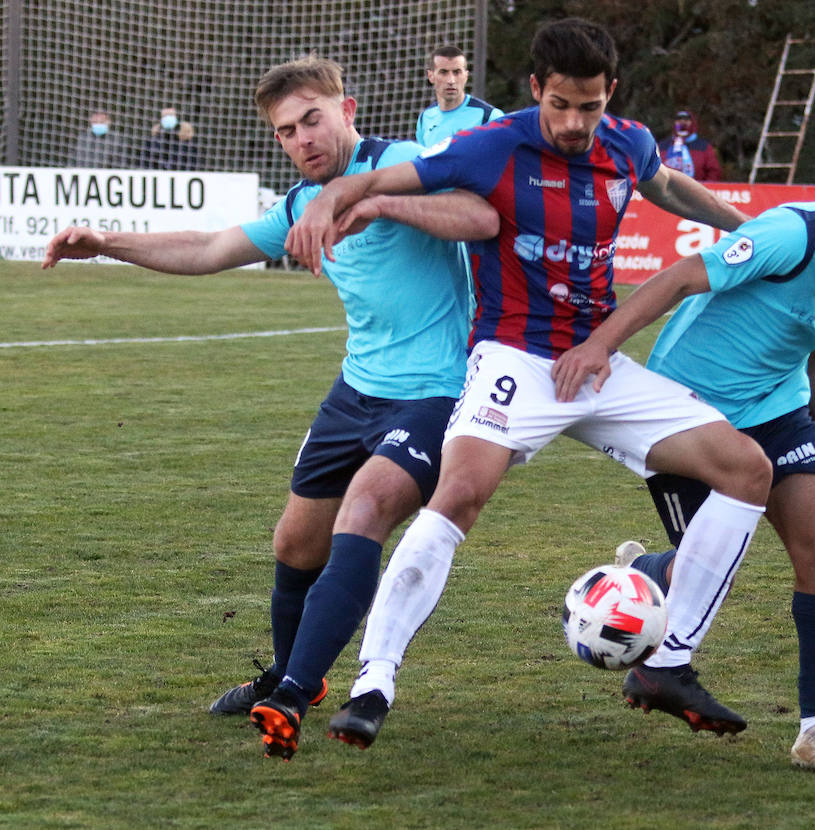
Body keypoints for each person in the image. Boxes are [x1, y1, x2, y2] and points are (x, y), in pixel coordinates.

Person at [284, 17, 773, 751]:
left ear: (611, 94)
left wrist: (753, 231)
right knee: (457, 495)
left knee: (747, 470)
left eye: (591, 106)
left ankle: (669, 666)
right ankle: (373, 684)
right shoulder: (492, 145)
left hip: (598, 362)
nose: (575, 123)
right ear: (536, 89)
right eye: (560, 105)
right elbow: (378, 178)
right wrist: (330, 202)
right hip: (513, 358)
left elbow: (670, 186)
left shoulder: (629, 144)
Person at [43, 56, 499, 760]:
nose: (302, 139)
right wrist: (107, 244)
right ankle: (291, 674)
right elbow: (209, 247)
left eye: (312, 119)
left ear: (346, 111)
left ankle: (291, 692)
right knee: (295, 544)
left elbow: (481, 216)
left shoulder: (402, 163)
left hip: (437, 391)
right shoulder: (297, 204)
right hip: (355, 391)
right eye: (287, 131)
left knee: (366, 510)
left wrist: (380, 202)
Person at [555, 134, 815, 773]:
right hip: (689, 410)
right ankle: (654, 573)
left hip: (776, 408)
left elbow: (813, 333)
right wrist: (600, 347)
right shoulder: (794, 234)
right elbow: (681, 277)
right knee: (707, 570)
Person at [415, 45, 504, 146]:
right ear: (431, 76)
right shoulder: (425, 117)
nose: (451, 80)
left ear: (466, 76)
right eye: (443, 72)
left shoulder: (490, 117)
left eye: (457, 72)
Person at [657, 108, 721, 182]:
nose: (682, 122)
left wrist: (706, 186)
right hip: (668, 187)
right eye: (679, 119)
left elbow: (713, 171)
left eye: (686, 119)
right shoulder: (663, 146)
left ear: (692, 123)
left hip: (697, 186)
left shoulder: (704, 146)